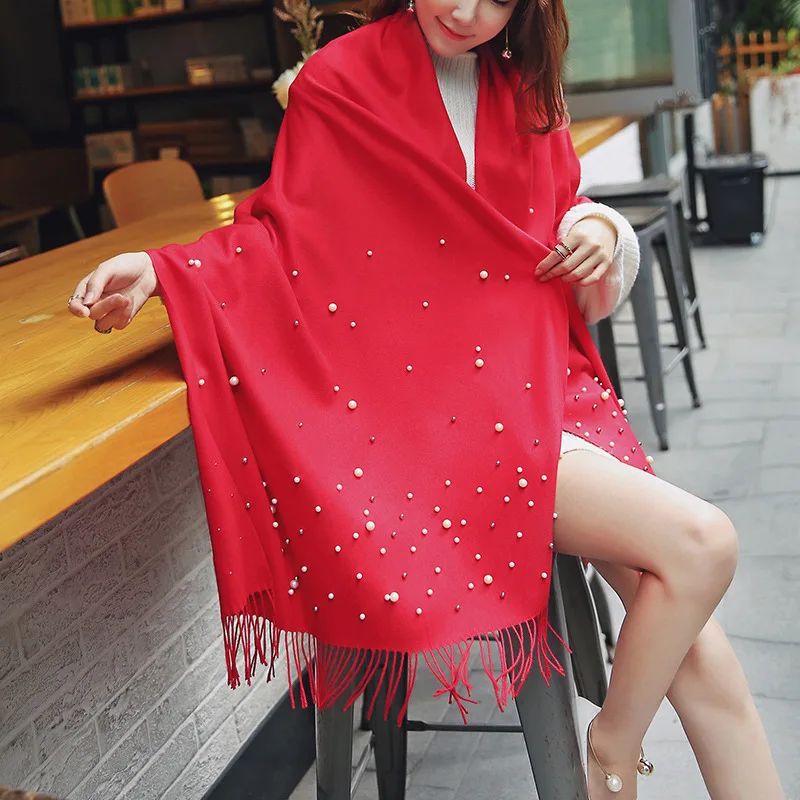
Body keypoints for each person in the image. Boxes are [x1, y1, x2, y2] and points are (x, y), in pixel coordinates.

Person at [68, 1, 784, 797]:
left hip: (538, 387)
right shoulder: (337, 81)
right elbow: (284, 241)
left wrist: (601, 232)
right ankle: (612, 752)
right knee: (701, 546)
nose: (467, 11)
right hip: (435, 424)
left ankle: (612, 751)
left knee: (702, 653)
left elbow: (552, 221)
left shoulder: (526, 90)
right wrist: (164, 271)